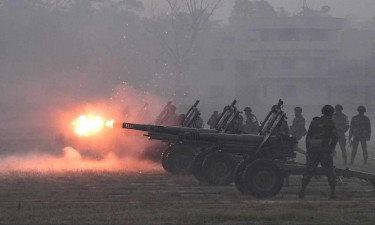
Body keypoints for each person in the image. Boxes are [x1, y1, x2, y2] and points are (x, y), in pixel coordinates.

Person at [299, 105, 338, 199]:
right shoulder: (330, 123)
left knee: (308, 171)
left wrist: (308, 149)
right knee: (330, 171)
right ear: (331, 113)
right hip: (324, 150)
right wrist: (330, 148)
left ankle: (302, 191)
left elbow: (308, 136)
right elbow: (335, 138)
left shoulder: (314, 121)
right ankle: (332, 193)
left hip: (313, 149)